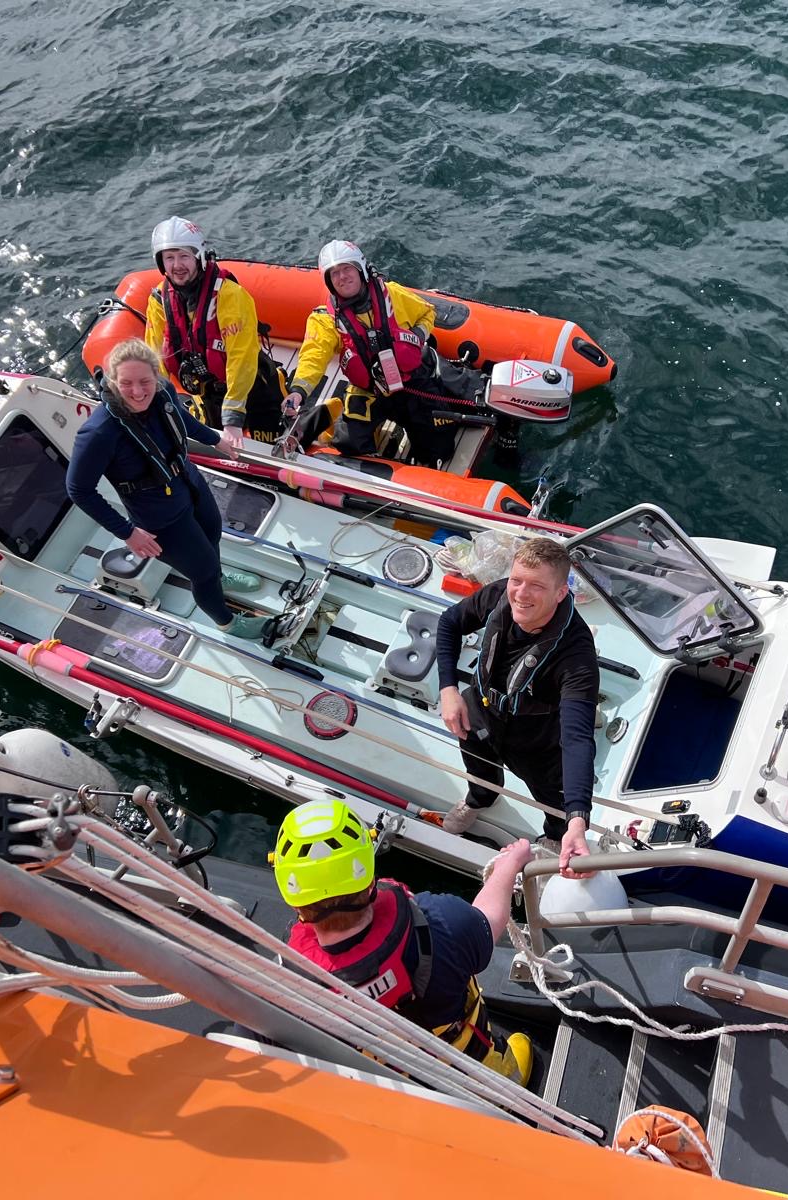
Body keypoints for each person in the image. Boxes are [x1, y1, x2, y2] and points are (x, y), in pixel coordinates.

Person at [273, 798, 535, 1084]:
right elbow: (489, 919)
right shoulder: (441, 922)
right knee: (500, 1073)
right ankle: (511, 1082)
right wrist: (510, 865)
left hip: (392, 1086)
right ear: (367, 868)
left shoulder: (291, 977)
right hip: (475, 1076)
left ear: (294, 899)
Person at [65, 339, 267, 639]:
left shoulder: (164, 392)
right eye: (127, 383)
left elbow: (181, 419)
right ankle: (227, 622)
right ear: (113, 382)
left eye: (145, 381)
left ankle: (220, 577)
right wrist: (127, 532)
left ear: (156, 377)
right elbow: (79, 489)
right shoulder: (98, 434)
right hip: (160, 519)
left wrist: (215, 440)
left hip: (190, 484)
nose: (138, 391)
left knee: (212, 535)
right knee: (203, 571)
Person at [436, 537, 598, 878]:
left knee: (552, 798)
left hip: (536, 740)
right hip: (479, 709)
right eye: (517, 580)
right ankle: (481, 798)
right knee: (478, 767)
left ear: (560, 592)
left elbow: (578, 738)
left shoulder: (577, 656)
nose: (521, 594)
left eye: (537, 586)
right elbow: (449, 623)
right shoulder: (498, 596)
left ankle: (556, 836)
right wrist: (448, 690)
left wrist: (578, 819)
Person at [281, 240, 484, 467]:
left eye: (347, 268)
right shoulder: (324, 319)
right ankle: (347, 419)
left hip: (411, 380)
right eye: (334, 273)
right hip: (370, 391)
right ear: (328, 281)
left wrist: (416, 336)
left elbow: (426, 313)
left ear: (360, 269)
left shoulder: (393, 295)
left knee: (439, 448)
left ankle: (441, 377)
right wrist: (298, 391)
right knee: (349, 444)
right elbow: (313, 357)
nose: (342, 277)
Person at [143, 216, 288, 448]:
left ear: (198, 256)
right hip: (208, 393)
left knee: (275, 443)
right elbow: (153, 355)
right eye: (169, 257)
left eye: (184, 256)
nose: (177, 265)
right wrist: (156, 401)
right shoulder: (159, 300)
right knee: (213, 447)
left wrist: (233, 416)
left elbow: (242, 358)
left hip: (254, 388)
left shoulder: (229, 295)